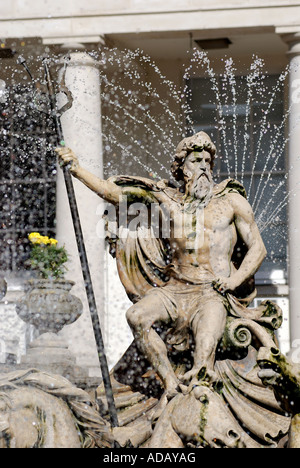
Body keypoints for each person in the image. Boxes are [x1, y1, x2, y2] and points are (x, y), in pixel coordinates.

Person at [56, 131, 266, 398]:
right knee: (136, 316)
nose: (203, 166)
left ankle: (202, 383)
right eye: (195, 160)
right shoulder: (164, 200)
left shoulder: (231, 201)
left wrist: (234, 282)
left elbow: (258, 248)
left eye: (207, 161)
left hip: (213, 291)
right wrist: (76, 169)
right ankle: (169, 382)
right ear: (181, 167)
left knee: (206, 338)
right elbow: (112, 193)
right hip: (174, 290)